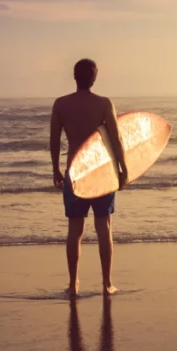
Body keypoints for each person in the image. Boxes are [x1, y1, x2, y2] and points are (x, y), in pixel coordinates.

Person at [50, 59, 127, 297]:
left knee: (75, 229)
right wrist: (123, 168)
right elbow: (116, 139)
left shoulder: (61, 104)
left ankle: (73, 283)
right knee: (103, 225)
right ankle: (106, 283)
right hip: (101, 172)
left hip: (74, 171)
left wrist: (55, 169)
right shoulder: (104, 104)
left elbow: (54, 140)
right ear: (94, 78)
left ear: (75, 77)